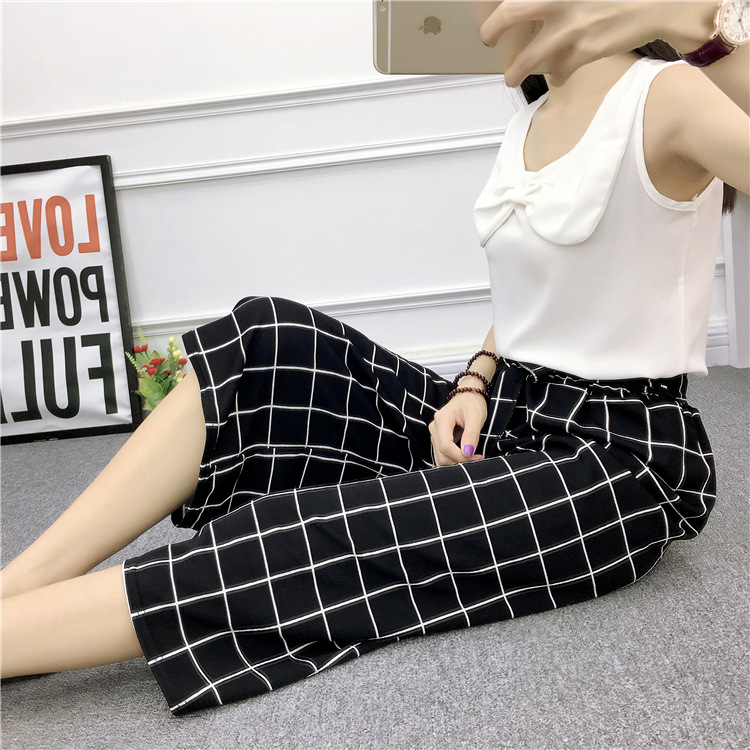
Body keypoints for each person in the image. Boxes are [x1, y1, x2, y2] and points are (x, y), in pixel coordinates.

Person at [2, 0, 748, 716]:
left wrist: (690, 17)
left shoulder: (667, 93)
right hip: (505, 415)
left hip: (615, 459)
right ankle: (23, 584)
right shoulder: (529, 117)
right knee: (270, 341)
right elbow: (547, 294)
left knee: (311, 535)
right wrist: (474, 382)